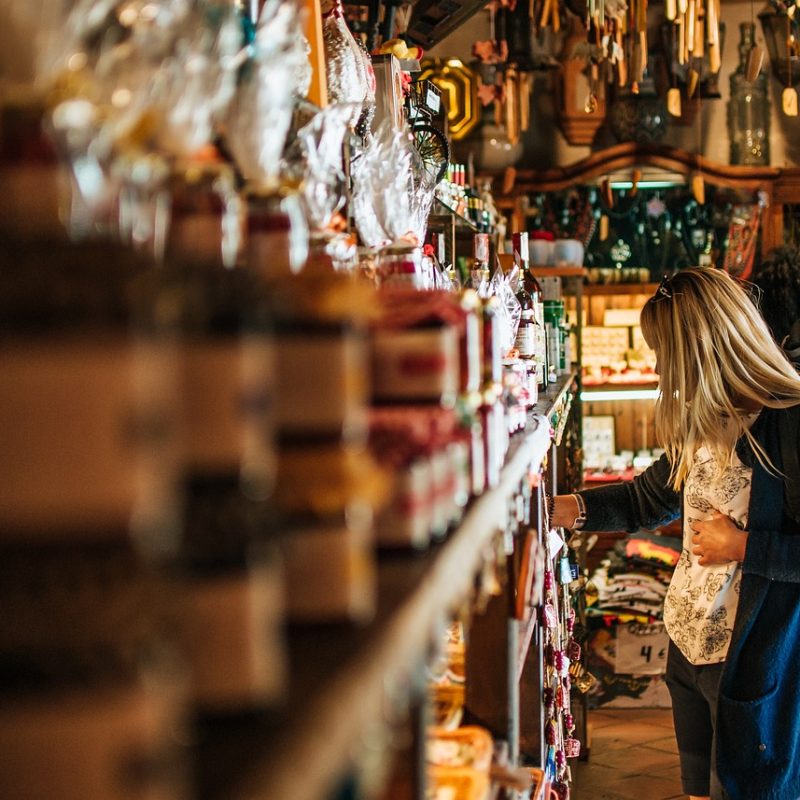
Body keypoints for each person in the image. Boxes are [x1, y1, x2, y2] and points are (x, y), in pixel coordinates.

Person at [551, 267, 800, 800]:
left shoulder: (788, 422)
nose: (658, 367)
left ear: (699, 350)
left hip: (752, 663)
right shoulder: (707, 417)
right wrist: (564, 508)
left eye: (664, 353)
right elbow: (646, 498)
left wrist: (743, 546)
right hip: (688, 648)